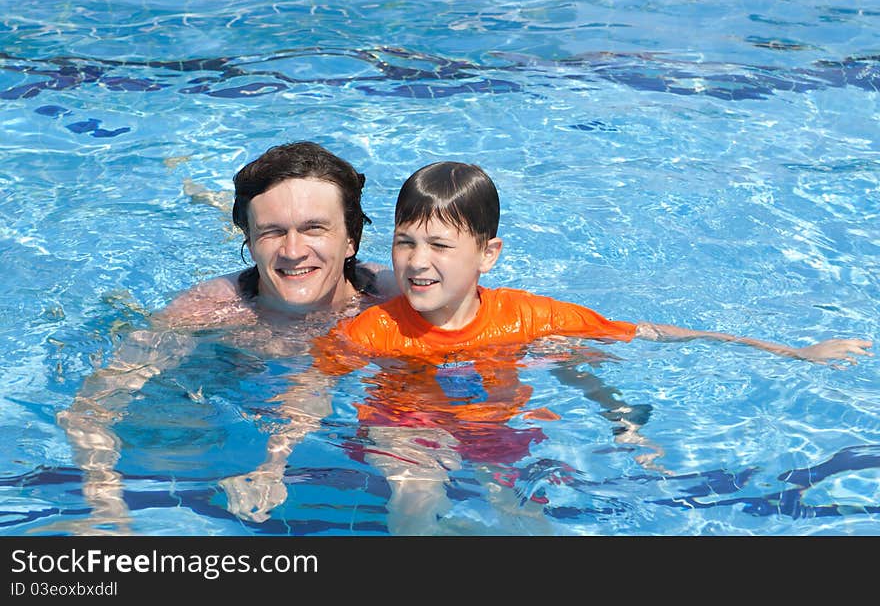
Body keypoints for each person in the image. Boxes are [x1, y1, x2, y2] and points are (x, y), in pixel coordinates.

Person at [229, 160, 870, 533]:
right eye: (405, 243)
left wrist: (794, 355)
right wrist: (274, 461)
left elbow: (651, 337)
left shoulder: (530, 318)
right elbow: (310, 391)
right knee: (416, 493)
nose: (418, 263)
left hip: (494, 423)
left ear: (488, 254)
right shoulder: (372, 330)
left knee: (519, 512)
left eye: (440, 247)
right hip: (404, 425)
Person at [54, 141, 397, 534]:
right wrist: (106, 505)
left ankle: (215, 200)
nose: (293, 250)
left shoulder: (392, 299)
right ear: (249, 244)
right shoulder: (207, 310)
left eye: (314, 228)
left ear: (351, 239)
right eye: (271, 232)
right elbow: (89, 409)